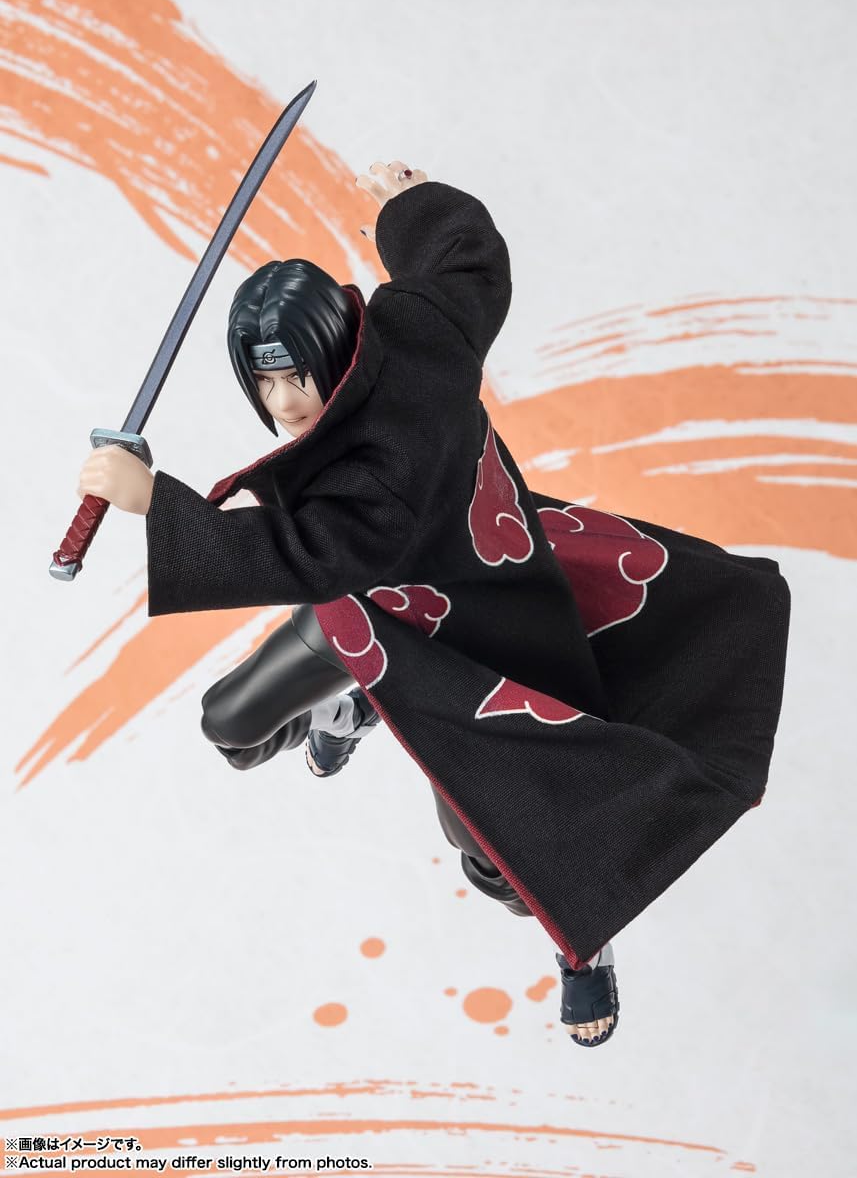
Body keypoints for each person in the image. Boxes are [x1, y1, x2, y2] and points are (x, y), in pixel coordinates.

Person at [77, 160, 790, 1049]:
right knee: (230, 723)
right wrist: (408, 207)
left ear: (336, 352)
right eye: (264, 383)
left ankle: (583, 933)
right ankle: (350, 705)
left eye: (297, 377)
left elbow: (302, 552)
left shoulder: (378, 478)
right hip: (363, 609)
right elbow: (467, 261)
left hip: (476, 639)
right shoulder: (417, 326)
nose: (284, 404)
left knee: (496, 845)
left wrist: (156, 501)